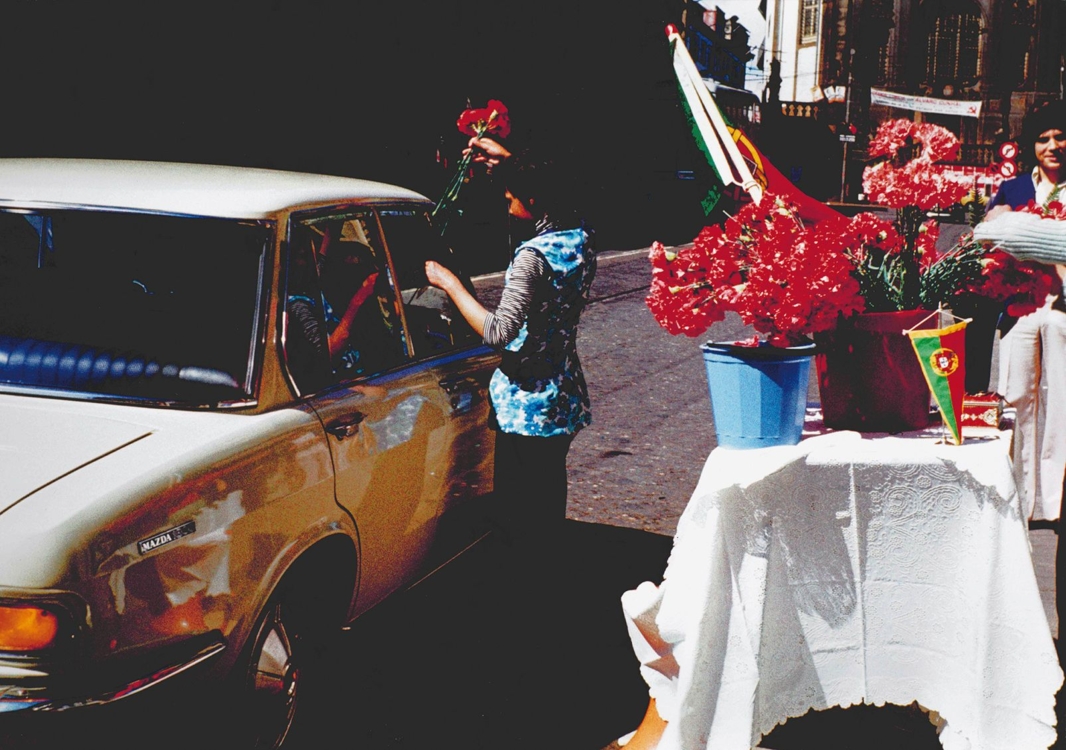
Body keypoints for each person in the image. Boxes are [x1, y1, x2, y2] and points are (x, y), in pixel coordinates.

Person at [424, 135, 596, 550]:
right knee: (549, 495)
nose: (506, 203)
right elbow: (547, 179)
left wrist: (449, 283)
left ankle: (521, 585)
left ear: (533, 199)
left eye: (509, 197)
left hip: (526, 402)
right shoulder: (580, 240)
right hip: (562, 391)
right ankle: (546, 569)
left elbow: (499, 331)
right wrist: (503, 157)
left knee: (518, 509)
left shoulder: (532, 258)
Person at [978, 100, 1066, 523]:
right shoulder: (1013, 190)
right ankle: (1018, 498)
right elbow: (988, 237)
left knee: (1062, 402)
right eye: (1043, 138)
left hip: (1063, 310)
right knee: (1017, 398)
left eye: (1060, 136)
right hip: (1020, 308)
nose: (1053, 146)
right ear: (1031, 145)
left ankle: (1054, 503)